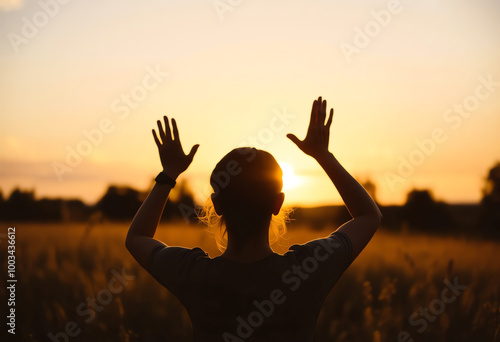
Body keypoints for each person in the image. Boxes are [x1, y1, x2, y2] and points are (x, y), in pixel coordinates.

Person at [126, 96, 382, 341]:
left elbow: (138, 237)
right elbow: (368, 216)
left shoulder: (194, 274)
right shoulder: (308, 269)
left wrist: (169, 173)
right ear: (278, 204)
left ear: (217, 206)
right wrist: (323, 155)